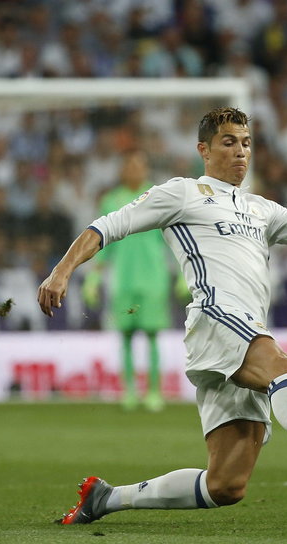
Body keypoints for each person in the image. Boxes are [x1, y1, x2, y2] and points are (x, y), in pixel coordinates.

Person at [38, 107, 287, 523]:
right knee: (279, 364)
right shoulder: (183, 193)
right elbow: (109, 225)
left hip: (243, 333)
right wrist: (62, 270)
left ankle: (106, 498)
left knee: (225, 486)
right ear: (204, 150)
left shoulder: (261, 209)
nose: (240, 152)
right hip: (217, 318)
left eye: (246, 143)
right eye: (229, 142)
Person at [82, 150, 182, 411]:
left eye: (139, 166)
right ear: (122, 170)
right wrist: (94, 276)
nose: (135, 171)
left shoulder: (159, 197)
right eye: (130, 166)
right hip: (123, 280)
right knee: (125, 336)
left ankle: (154, 391)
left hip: (153, 280)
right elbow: (103, 244)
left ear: (146, 169)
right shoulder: (111, 200)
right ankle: (128, 391)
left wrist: (183, 274)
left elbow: (173, 239)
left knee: (152, 335)